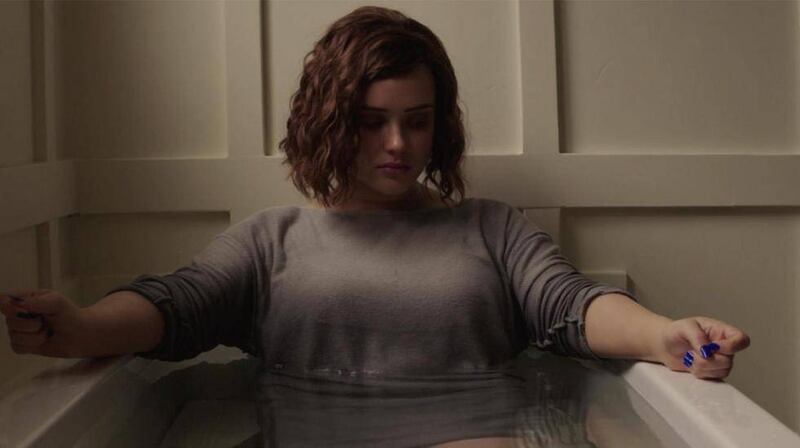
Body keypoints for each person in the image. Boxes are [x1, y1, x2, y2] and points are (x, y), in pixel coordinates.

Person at [1, 6, 749, 387]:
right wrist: (81, 327)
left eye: (417, 122)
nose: (398, 144)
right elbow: (177, 305)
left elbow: (571, 304)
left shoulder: (491, 229)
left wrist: (663, 337)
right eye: (371, 122)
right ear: (330, 123)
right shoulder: (272, 240)